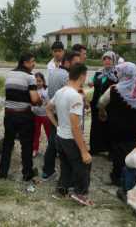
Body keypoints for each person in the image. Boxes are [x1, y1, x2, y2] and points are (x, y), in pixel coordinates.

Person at [46, 63, 93, 206]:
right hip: (70, 139)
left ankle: (62, 190)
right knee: (84, 165)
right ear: (82, 76)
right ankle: (81, 194)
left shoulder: (61, 91)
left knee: (65, 165)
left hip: (60, 136)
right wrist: (84, 151)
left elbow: (48, 108)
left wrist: (57, 125)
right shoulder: (75, 96)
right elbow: (75, 127)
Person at [98, 62, 136, 186]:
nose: (117, 74)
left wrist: (102, 111)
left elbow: (101, 102)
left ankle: (117, 177)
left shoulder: (114, 89)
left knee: (119, 153)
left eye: (119, 72)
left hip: (119, 127)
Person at [0, 53, 42, 181]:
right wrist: (40, 101)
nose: (34, 64)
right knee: (26, 145)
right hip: (24, 115)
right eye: (32, 61)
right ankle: (27, 173)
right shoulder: (30, 77)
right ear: (25, 62)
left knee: (8, 143)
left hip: (9, 114)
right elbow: (34, 99)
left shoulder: (9, 74)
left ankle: (2, 172)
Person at [42, 52, 80, 181]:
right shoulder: (67, 76)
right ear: (67, 62)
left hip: (53, 111)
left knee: (52, 143)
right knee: (63, 143)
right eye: (76, 63)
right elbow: (72, 95)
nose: (77, 66)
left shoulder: (54, 72)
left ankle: (48, 171)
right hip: (62, 114)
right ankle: (63, 175)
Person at [89, 51, 118, 155]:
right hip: (96, 104)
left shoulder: (117, 74)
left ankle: (110, 151)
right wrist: (91, 83)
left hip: (109, 106)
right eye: (105, 59)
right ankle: (95, 148)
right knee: (95, 126)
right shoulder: (98, 73)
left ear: (114, 60)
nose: (107, 61)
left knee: (109, 127)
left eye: (109, 59)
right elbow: (92, 83)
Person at [32, 72, 50, 157]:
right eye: (36, 81)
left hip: (46, 115)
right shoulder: (32, 90)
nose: (38, 83)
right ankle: (35, 149)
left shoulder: (47, 90)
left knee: (49, 133)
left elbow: (50, 102)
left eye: (40, 81)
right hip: (36, 115)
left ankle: (52, 149)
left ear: (43, 81)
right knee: (36, 133)